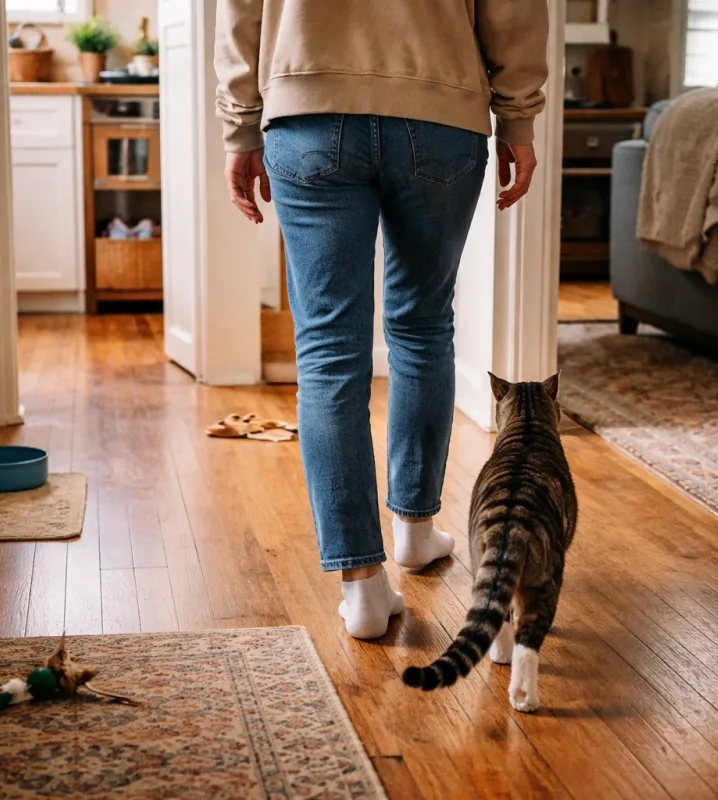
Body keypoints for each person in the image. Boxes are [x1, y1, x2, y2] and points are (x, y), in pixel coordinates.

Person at [214, 0, 548, 639]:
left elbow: (238, 12)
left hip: (307, 112)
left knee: (328, 352)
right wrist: (518, 118)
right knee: (422, 326)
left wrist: (240, 125)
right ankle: (415, 532)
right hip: (440, 112)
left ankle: (362, 588)